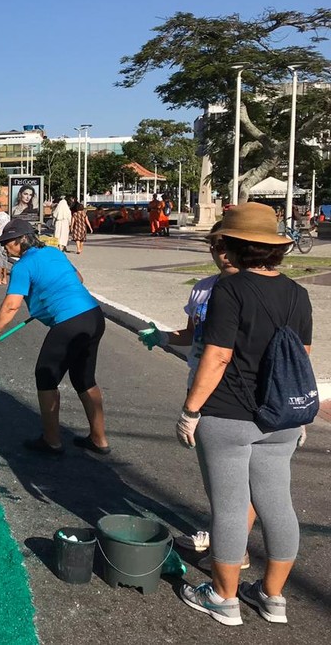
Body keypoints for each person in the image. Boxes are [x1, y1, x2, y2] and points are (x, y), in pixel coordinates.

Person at [176, 203, 312, 627]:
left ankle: (223, 597)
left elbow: (216, 357)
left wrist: (190, 410)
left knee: (230, 508)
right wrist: (300, 418)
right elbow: (301, 358)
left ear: (233, 246)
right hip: (280, 417)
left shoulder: (228, 291)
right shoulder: (297, 293)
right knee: (278, 505)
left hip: (229, 416)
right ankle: (273, 597)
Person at [139, 222, 252, 565]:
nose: (222, 254)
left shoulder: (256, 290)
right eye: (216, 246)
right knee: (215, 475)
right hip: (201, 384)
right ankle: (226, 536)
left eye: (228, 246)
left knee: (239, 479)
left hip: (237, 391)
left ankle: (233, 547)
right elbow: (192, 334)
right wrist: (161, 337)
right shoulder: (203, 289)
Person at [0, 219, 109, 455]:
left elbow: (11, 306)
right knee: (84, 379)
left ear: (22, 239)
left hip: (69, 323)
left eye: (8, 243)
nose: (5, 248)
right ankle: (99, 439)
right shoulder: (53, 252)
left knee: (45, 376)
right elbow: (79, 279)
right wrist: (45, 298)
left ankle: (52, 440)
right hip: (93, 316)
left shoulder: (22, 267)